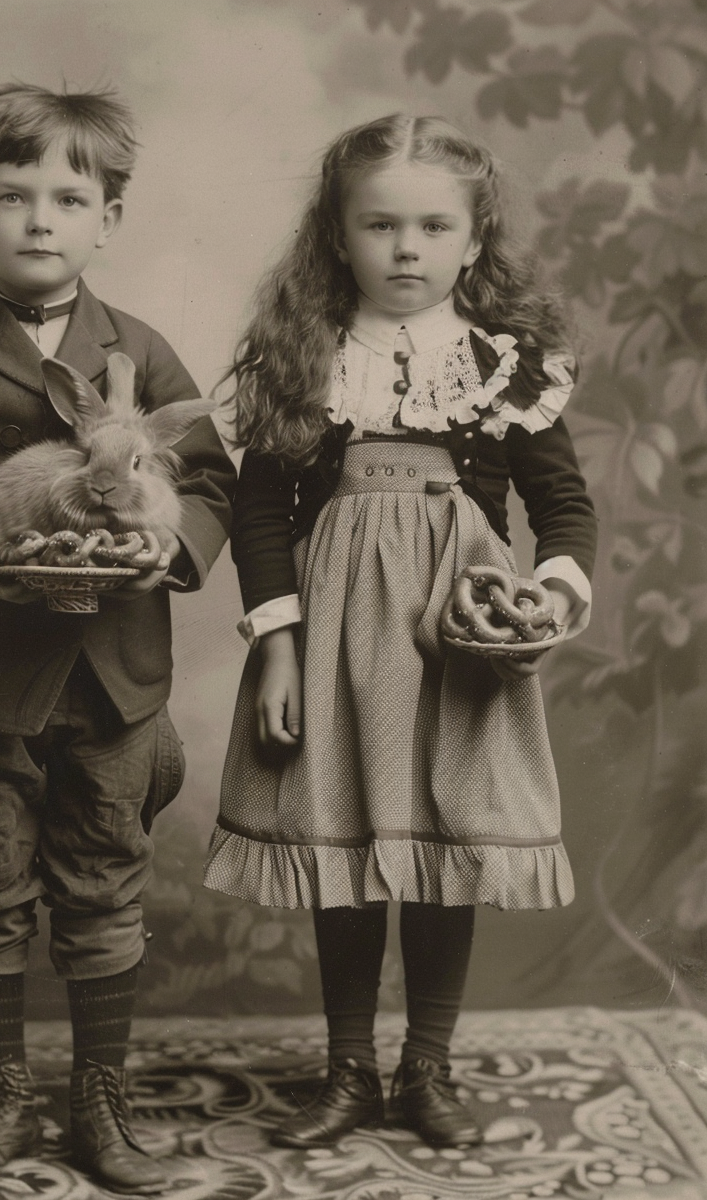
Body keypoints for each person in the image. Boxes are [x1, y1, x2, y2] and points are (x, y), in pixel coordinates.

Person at [0, 82, 234, 1193]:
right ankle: (5, 1099)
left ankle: (99, 1106)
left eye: (70, 197)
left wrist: (175, 549)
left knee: (107, 881)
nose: (40, 219)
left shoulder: (142, 352)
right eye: (10, 195)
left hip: (116, 677)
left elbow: (205, 477)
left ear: (108, 216)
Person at [203, 114, 597, 1151]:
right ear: (338, 236)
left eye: (433, 226)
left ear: (476, 239)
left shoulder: (505, 364)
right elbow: (260, 514)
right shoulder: (305, 357)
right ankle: (347, 1071)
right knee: (347, 845)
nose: (408, 249)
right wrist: (279, 645)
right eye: (381, 225)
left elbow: (564, 511)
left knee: (441, 842)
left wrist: (548, 599)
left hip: (455, 632)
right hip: (335, 629)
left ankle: (428, 1065)